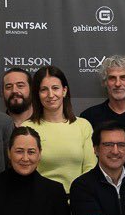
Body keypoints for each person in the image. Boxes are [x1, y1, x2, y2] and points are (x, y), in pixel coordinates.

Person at [22, 65, 94, 194]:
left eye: (55, 88)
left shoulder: (83, 126)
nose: (50, 95)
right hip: (41, 200)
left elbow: (90, 168)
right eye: (44, 89)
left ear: (64, 91)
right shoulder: (27, 128)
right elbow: (25, 171)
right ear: (37, 94)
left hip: (79, 199)